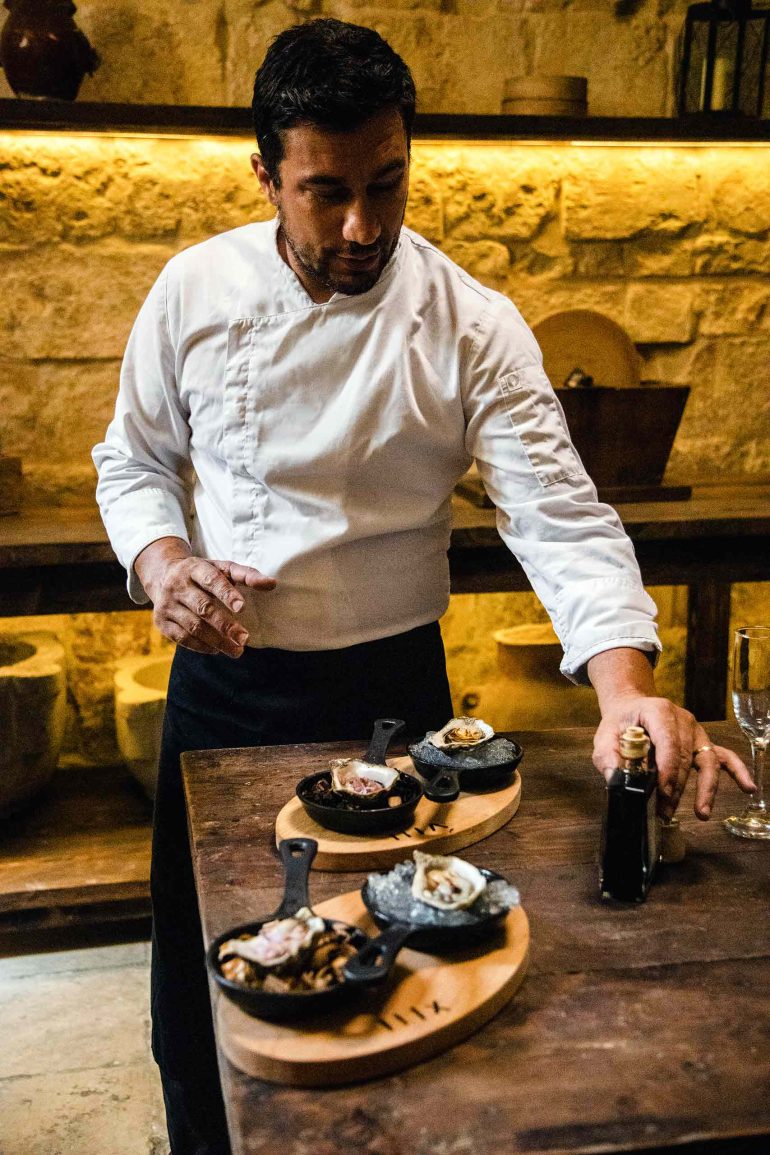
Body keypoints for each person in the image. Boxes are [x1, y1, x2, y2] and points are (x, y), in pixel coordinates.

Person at [92, 18, 755, 1155]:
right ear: (265, 175)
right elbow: (133, 461)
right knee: (210, 1000)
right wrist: (162, 561)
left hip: (396, 708)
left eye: (387, 183)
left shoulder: (470, 323)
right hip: (226, 695)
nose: (362, 226)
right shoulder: (193, 289)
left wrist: (620, 689)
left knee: (391, 994)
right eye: (325, 192)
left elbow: (557, 511)